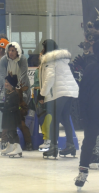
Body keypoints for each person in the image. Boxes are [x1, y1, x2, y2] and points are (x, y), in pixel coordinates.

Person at [38, 39, 79, 158]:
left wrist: (42, 93)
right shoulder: (61, 60)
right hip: (69, 92)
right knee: (65, 117)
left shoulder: (50, 61)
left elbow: (49, 78)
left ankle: (53, 147)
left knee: (55, 119)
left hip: (60, 92)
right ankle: (70, 145)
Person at [0, 42, 33, 151]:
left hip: (20, 92)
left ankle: (27, 142)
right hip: (8, 90)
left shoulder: (23, 60)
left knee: (20, 121)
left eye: (13, 50)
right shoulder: (3, 60)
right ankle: (5, 140)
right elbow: (1, 77)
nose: (11, 52)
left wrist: (17, 92)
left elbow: (23, 76)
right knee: (6, 119)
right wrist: (4, 91)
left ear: (18, 51)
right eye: (9, 50)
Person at [74, 41, 99, 190]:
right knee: (89, 142)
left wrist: (82, 114)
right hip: (93, 112)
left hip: (92, 112)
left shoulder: (90, 68)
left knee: (88, 142)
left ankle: (82, 173)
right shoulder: (90, 68)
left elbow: (82, 93)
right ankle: (82, 172)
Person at [0, 74, 23, 157]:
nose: (5, 83)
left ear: (11, 84)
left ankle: (18, 148)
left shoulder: (15, 94)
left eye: (7, 82)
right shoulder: (7, 93)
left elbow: (15, 106)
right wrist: (0, 106)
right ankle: (10, 146)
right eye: (5, 82)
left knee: (12, 132)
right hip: (8, 116)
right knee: (8, 132)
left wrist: (7, 110)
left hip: (13, 117)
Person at [31, 55, 51, 151]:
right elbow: (36, 84)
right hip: (39, 95)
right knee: (41, 118)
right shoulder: (37, 70)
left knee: (47, 117)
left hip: (48, 96)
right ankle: (45, 138)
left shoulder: (49, 69)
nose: (40, 57)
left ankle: (49, 139)